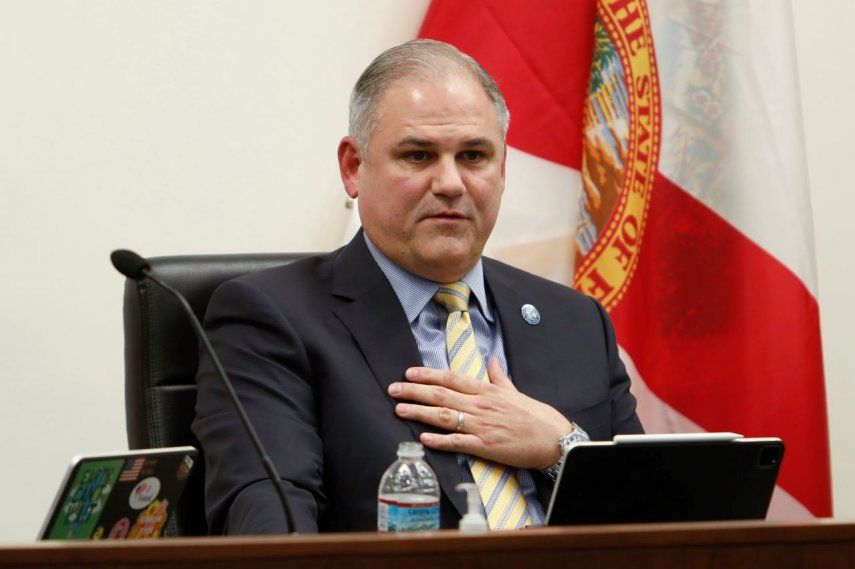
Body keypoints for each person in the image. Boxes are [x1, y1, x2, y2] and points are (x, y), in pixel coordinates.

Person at [193, 39, 642, 535]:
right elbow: (272, 527)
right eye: (418, 155)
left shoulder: (575, 320)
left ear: (502, 169)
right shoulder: (271, 318)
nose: (450, 182)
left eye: (473, 155)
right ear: (353, 167)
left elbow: (663, 519)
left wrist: (563, 447)